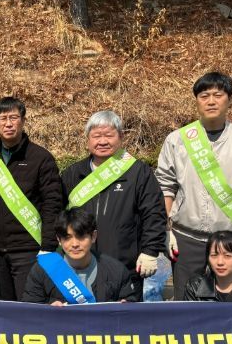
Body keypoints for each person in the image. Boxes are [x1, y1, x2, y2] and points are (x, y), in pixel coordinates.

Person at [156, 72, 232, 300]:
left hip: (230, 240)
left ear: (230, 100)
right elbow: (165, 187)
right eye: (204, 95)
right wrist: (167, 230)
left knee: (230, 306)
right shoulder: (177, 140)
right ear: (196, 101)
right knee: (185, 304)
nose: (211, 101)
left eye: (218, 95)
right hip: (186, 239)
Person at [60, 110, 166, 300]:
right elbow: (58, 215)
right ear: (87, 139)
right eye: (96, 136)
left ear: (121, 137)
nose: (102, 141)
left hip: (126, 266)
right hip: (80, 266)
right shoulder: (73, 174)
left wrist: (150, 250)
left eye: (109, 135)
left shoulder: (138, 172)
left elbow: (154, 213)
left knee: (124, 324)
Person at [0, 96, 62, 301]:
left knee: (30, 308)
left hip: (29, 250)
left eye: (13, 117)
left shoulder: (41, 158)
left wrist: (48, 246)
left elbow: (52, 204)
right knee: (5, 309)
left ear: (23, 120)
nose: (8, 123)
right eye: (2, 118)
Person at [22, 208, 139, 305]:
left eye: (81, 236)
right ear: (58, 239)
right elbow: (29, 313)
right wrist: (48, 309)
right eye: (67, 238)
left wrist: (126, 306)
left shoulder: (116, 270)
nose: (75, 244)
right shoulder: (43, 269)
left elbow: (132, 310)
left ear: (93, 236)